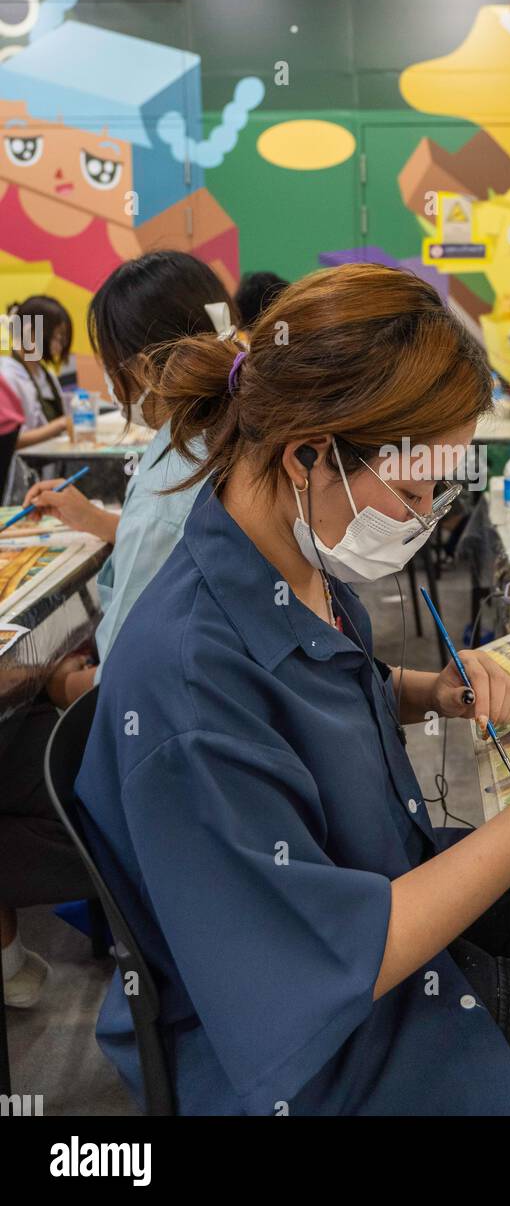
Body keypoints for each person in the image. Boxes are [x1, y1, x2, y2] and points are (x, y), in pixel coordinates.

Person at [76, 262, 510, 1116]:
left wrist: (425, 690)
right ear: (310, 452)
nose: (422, 518)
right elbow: (318, 965)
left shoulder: (284, 548)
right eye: (412, 490)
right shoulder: (189, 685)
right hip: (326, 1052)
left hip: (375, 905)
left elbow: (311, 686)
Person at [0, 252, 238, 1008]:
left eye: (107, 365)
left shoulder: (175, 468)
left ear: (140, 366)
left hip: (164, 762)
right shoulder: (224, 434)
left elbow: (132, 663)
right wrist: (101, 523)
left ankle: (14, 966)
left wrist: (63, 678)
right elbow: (171, 557)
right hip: (215, 739)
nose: (101, 383)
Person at [0, 296, 73, 453]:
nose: (60, 346)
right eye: (57, 337)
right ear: (31, 333)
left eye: (63, 339)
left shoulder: (45, 375)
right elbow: (11, 440)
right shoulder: (7, 376)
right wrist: (60, 424)